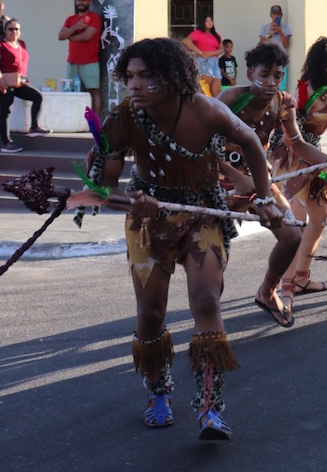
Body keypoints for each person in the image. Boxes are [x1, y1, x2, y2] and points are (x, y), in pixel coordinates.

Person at [81, 38, 287, 440]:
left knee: (207, 299)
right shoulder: (124, 118)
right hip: (147, 222)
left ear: (172, 78)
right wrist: (131, 203)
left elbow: (250, 144)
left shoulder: (205, 110)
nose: (134, 85)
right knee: (151, 312)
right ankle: (158, 391)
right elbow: (104, 189)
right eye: (131, 76)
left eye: (146, 76)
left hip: (200, 213)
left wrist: (264, 198)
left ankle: (210, 407)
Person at [218, 42, 327, 326]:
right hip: (217, 182)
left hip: (260, 181)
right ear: (250, 72)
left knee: (292, 236)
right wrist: (236, 178)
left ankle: (267, 292)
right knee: (213, 258)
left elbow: (298, 143)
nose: (271, 82)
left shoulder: (283, 102)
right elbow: (202, 147)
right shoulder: (229, 99)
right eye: (264, 75)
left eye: (277, 76)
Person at [270, 37, 327, 314]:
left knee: (320, 218)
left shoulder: (323, 89)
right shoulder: (310, 89)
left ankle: (301, 277)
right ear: (321, 64)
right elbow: (292, 138)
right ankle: (284, 288)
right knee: (296, 227)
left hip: (312, 156)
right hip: (294, 160)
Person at [2, 18, 51, 153]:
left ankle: (34, 127)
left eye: (17, 29)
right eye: (11, 29)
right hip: (5, 83)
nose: (14, 32)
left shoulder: (21, 44)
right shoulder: (2, 45)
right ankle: (5, 142)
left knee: (37, 97)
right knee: (4, 110)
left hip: (20, 82)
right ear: (5, 31)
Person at [58, 0, 103, 113]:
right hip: (72, 61)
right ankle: (73, 118)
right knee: (70, 91)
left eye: (83, 0)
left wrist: (70, 36)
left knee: (93, 91)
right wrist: (75, 27)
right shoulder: (71, 19)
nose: (80, 2)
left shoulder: (94, 18)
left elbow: (86, 36)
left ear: (89, 1)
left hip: (89, 61)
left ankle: (94, 122)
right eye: (78, 0)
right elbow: (60, 36)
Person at [182, 15, 225, 97]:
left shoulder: (216, 35)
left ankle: (215, 108)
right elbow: (186, 41)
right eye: (207, 21)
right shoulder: (198, 33)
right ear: (202, 22)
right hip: (204, 61)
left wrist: (211, 53)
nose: (210, 22)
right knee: (205, 88)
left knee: (217, 90)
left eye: (211, 20)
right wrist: (200, 52)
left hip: (215, 61)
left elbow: (222, 49)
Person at [258, 5, 292, 90]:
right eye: (274, 13)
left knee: (280, 87)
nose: (276, 16)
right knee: (267, 86)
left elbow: (286, 45)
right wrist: (270, 34)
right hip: (267, 61)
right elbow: (261, 43)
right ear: (271, 15)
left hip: (281, 62)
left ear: (281, 16)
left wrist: (280, 32)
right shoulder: (264, 27)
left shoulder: (285, 28)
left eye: (278, 14)